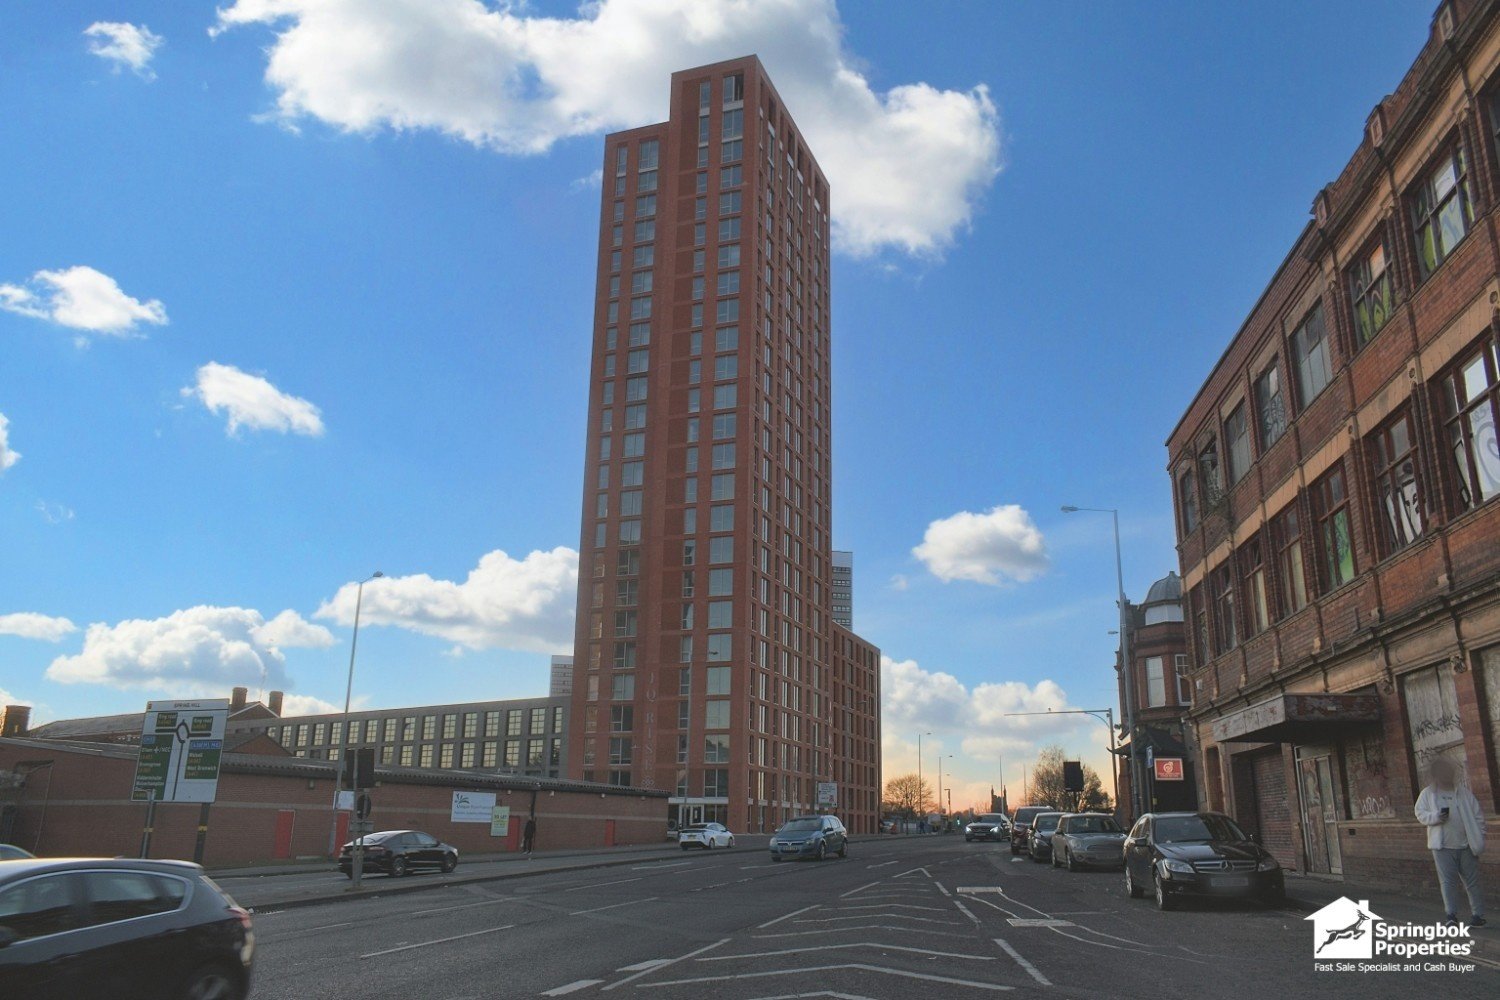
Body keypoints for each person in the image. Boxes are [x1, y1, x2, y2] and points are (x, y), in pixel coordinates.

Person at [1414, 756, 1486, 926]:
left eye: (1449, 772)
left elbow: (1478, 816)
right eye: (1442, 772)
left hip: (1466, 845)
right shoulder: (1428, 794)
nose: (1446, 775)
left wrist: (1478, 836)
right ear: (1435, 775)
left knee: (1472, 882)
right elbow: (1420, 813)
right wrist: (1435, 817)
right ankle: (1451, 916)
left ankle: (1478, 915)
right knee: (1448, 882)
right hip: (1442, 847)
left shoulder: (1463, 793)